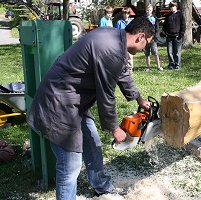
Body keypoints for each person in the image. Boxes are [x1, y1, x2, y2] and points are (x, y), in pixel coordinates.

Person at [27, 16, 155, 199]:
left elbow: (122, 73)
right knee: (70, 165)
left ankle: (101, 186)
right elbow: (106, 94)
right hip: (59, 104)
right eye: (147, 44)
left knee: (93, 144)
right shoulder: (111, 49)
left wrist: (139, 99)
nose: (145, 49)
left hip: (75, 101)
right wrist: (114, 128)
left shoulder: (114, 38)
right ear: (140, 36)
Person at [162, 0, 186, 70]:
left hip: (177, 37)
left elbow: (183, 25)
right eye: (171, 6)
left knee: (177, 52)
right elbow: (164, 26)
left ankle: (177, 65)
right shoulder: (168, 16)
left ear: (176, 7)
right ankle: (171, 64)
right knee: (170, 52)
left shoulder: (180, 15)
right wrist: (164, 33)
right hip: (169, 37)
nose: (172, 8)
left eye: (174, 6)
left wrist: (181, 34)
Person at [144, 4, 163, 71]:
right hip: (145, 39)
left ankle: (158, 66)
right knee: (147, 53)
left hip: (153, 39)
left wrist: (154, 36)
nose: (148, 11)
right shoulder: (143, 18)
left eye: (150, 10)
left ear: (152, 11)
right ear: (145, 10)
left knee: (155, 52)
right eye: (147, 10)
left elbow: (157, 28)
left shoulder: (154, 18)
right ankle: (148, 67)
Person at [116, 7, 134, 73]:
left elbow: (133, 31)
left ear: (129, 14)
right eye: (124, 13)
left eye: (127, 13)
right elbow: (117, 32)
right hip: (122, 41)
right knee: (123, 55)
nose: (125, 15)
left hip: (130, 40)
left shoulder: (131, 21)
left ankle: (130, 69)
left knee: (130, 56)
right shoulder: (119, 22)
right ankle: (123, 69)